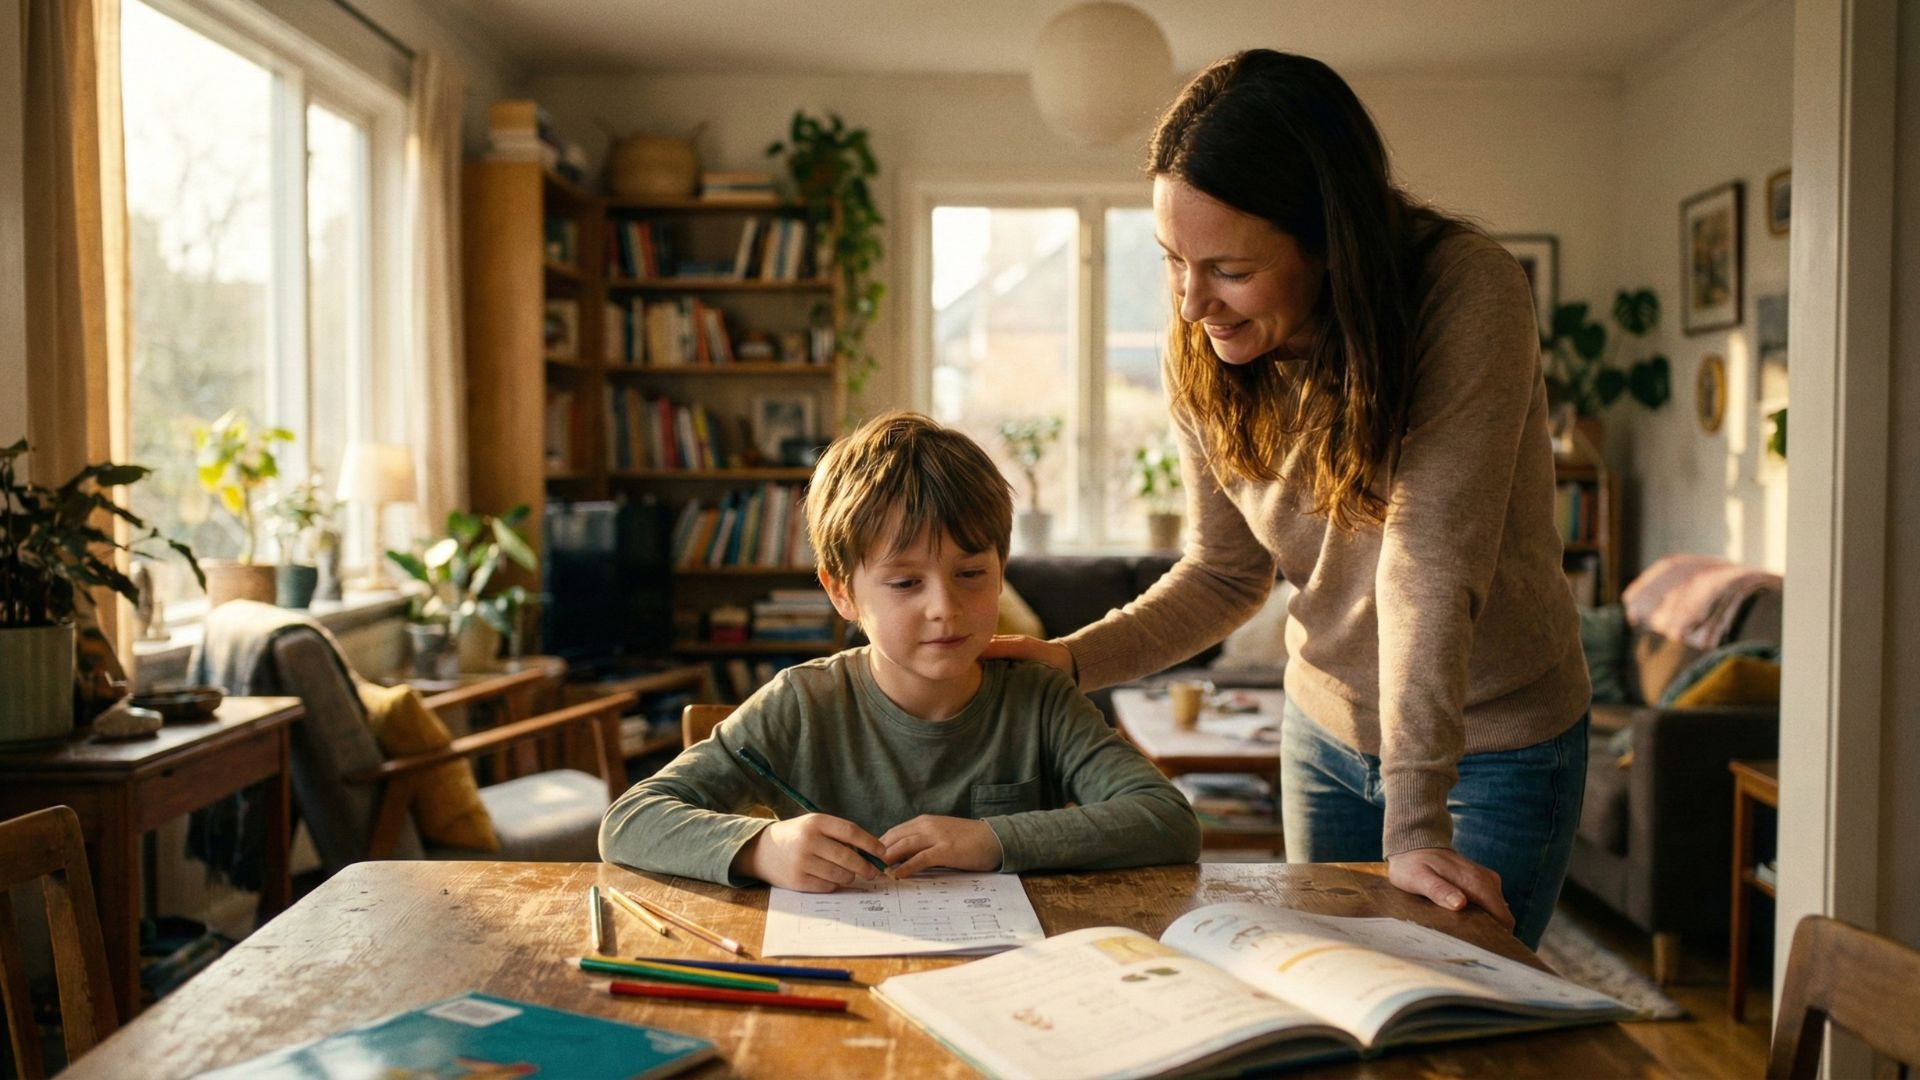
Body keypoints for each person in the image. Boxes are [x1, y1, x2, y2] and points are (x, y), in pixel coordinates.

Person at [986, 50, 1589, 949]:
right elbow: (1226, 575)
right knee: (1329, 1003)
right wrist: (1068, 663)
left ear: (1329, 241)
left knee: (1449, 1020)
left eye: (1228, 269)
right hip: (1322, 736)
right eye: (1173, 262)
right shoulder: (1201, 349)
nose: (1193, 304)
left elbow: (1427, 560)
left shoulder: (1464, 291)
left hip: (1490, 746)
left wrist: (1416, 826)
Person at [599, 411, 1200, 892]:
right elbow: (630, 821)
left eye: (971, 573)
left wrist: (990, 839)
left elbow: (1167, 820)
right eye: (906, 582)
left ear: (1002, 570)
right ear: (842, 592)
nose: (945, 607)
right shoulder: (802, 703)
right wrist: (762, 849)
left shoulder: (1037, 697)